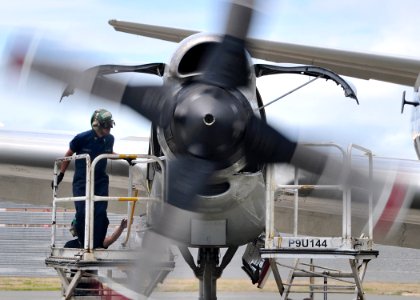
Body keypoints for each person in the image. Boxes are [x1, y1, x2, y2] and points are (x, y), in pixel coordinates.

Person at [55, 108, 115, 249]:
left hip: (100, 180)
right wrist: (61, 174)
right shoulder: (82, 138)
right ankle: (83, 242)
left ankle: (98, 243)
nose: (108, 129)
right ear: (98, 125)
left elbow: (108, 152)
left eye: (110, 126)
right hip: (82, 181)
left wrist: (125, 158)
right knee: (82, 212)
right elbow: (68, 154)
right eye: (106, 126)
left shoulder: (110, 139)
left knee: (100, 212)